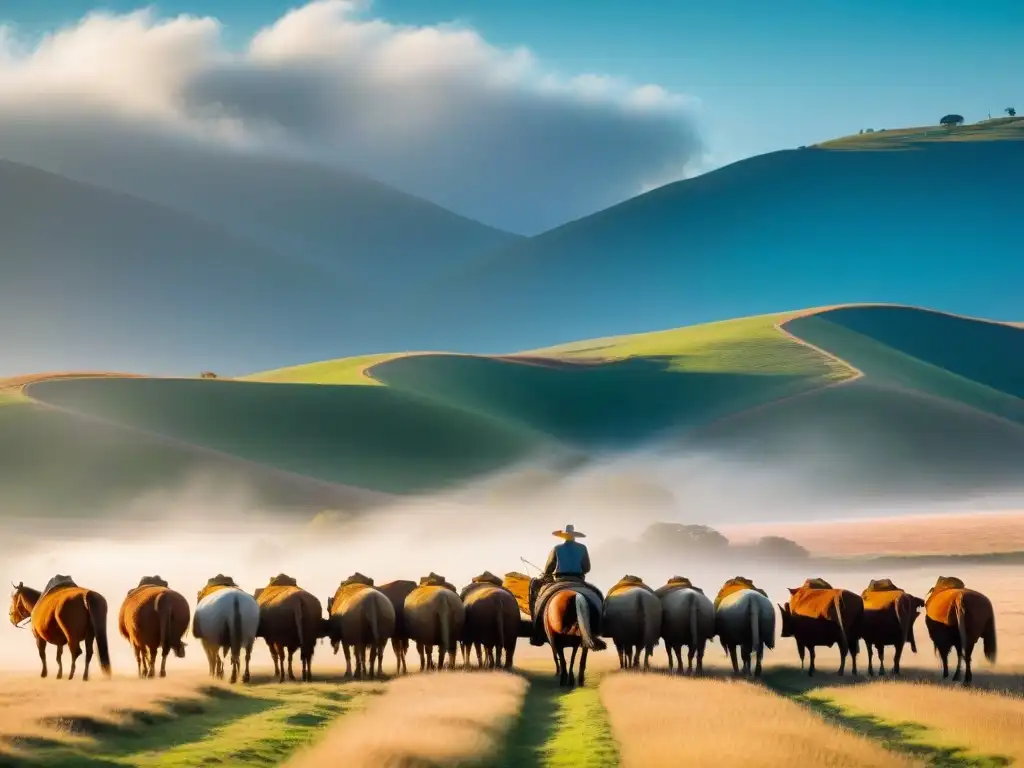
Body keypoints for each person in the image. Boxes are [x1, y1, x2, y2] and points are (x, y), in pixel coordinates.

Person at [530, 524, 592, 646]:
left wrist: (548, 573)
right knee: (597, 595)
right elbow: (587, 568)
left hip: (559, 580)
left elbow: (548, 568)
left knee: (540, 601)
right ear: (574, 536)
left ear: (563, 536)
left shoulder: (557, 548)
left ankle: (537, 631)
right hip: (578, 580)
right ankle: (595, 628)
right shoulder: (583, 548)